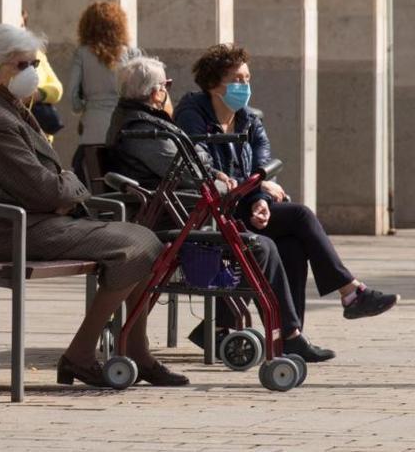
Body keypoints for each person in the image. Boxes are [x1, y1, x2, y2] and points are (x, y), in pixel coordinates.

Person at [0, 23, 188, 388]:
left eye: (34, 63)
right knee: (135, 247)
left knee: (146, 241)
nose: (32, 72)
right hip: (14, 230)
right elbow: (46, 190)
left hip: (34, 223)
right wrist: (68, 189)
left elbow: (54, 183)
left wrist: (65, 189)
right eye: (23, 65)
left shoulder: (11, 109)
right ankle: (83, 353)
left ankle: (135, 350)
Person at [105, 54, 335, 362]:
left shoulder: (151, 122)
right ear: (155, 91)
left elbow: (196, 164)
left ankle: (286, 333)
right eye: (166, 85)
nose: (168, 91)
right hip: (176, 219)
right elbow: (191, 172)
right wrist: (238, 185)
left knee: (290, 243)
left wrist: (237, 185)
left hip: (192, 212)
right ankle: (288, 331)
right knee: (262, 245)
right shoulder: (145, 129)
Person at [175, 43, 400, 341]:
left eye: (247, 79)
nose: (244, 86)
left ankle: (290, 336)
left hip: (241, 204)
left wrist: (260, 200)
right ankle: (349, 293)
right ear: (214, 84)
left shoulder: (249, 119)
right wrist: (254, 186)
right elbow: (198, 159)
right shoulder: (193, 112)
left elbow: (263, 166)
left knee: (292, 246)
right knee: (301, 215)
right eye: (237, 79)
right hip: (213, 209)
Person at [68, 1, 131, 147]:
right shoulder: (131, 53)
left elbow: (72, 94)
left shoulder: (82, 54)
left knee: (91, 167)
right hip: (123, 126)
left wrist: (83, 107)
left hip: (92, 127)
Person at [21, 9, 64, 140]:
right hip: (23, 133)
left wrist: (39, 94)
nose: (20, 30)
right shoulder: (8, 60)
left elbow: (58, 88)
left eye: (22, 26)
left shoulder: (38, 54)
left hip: (43, 134)